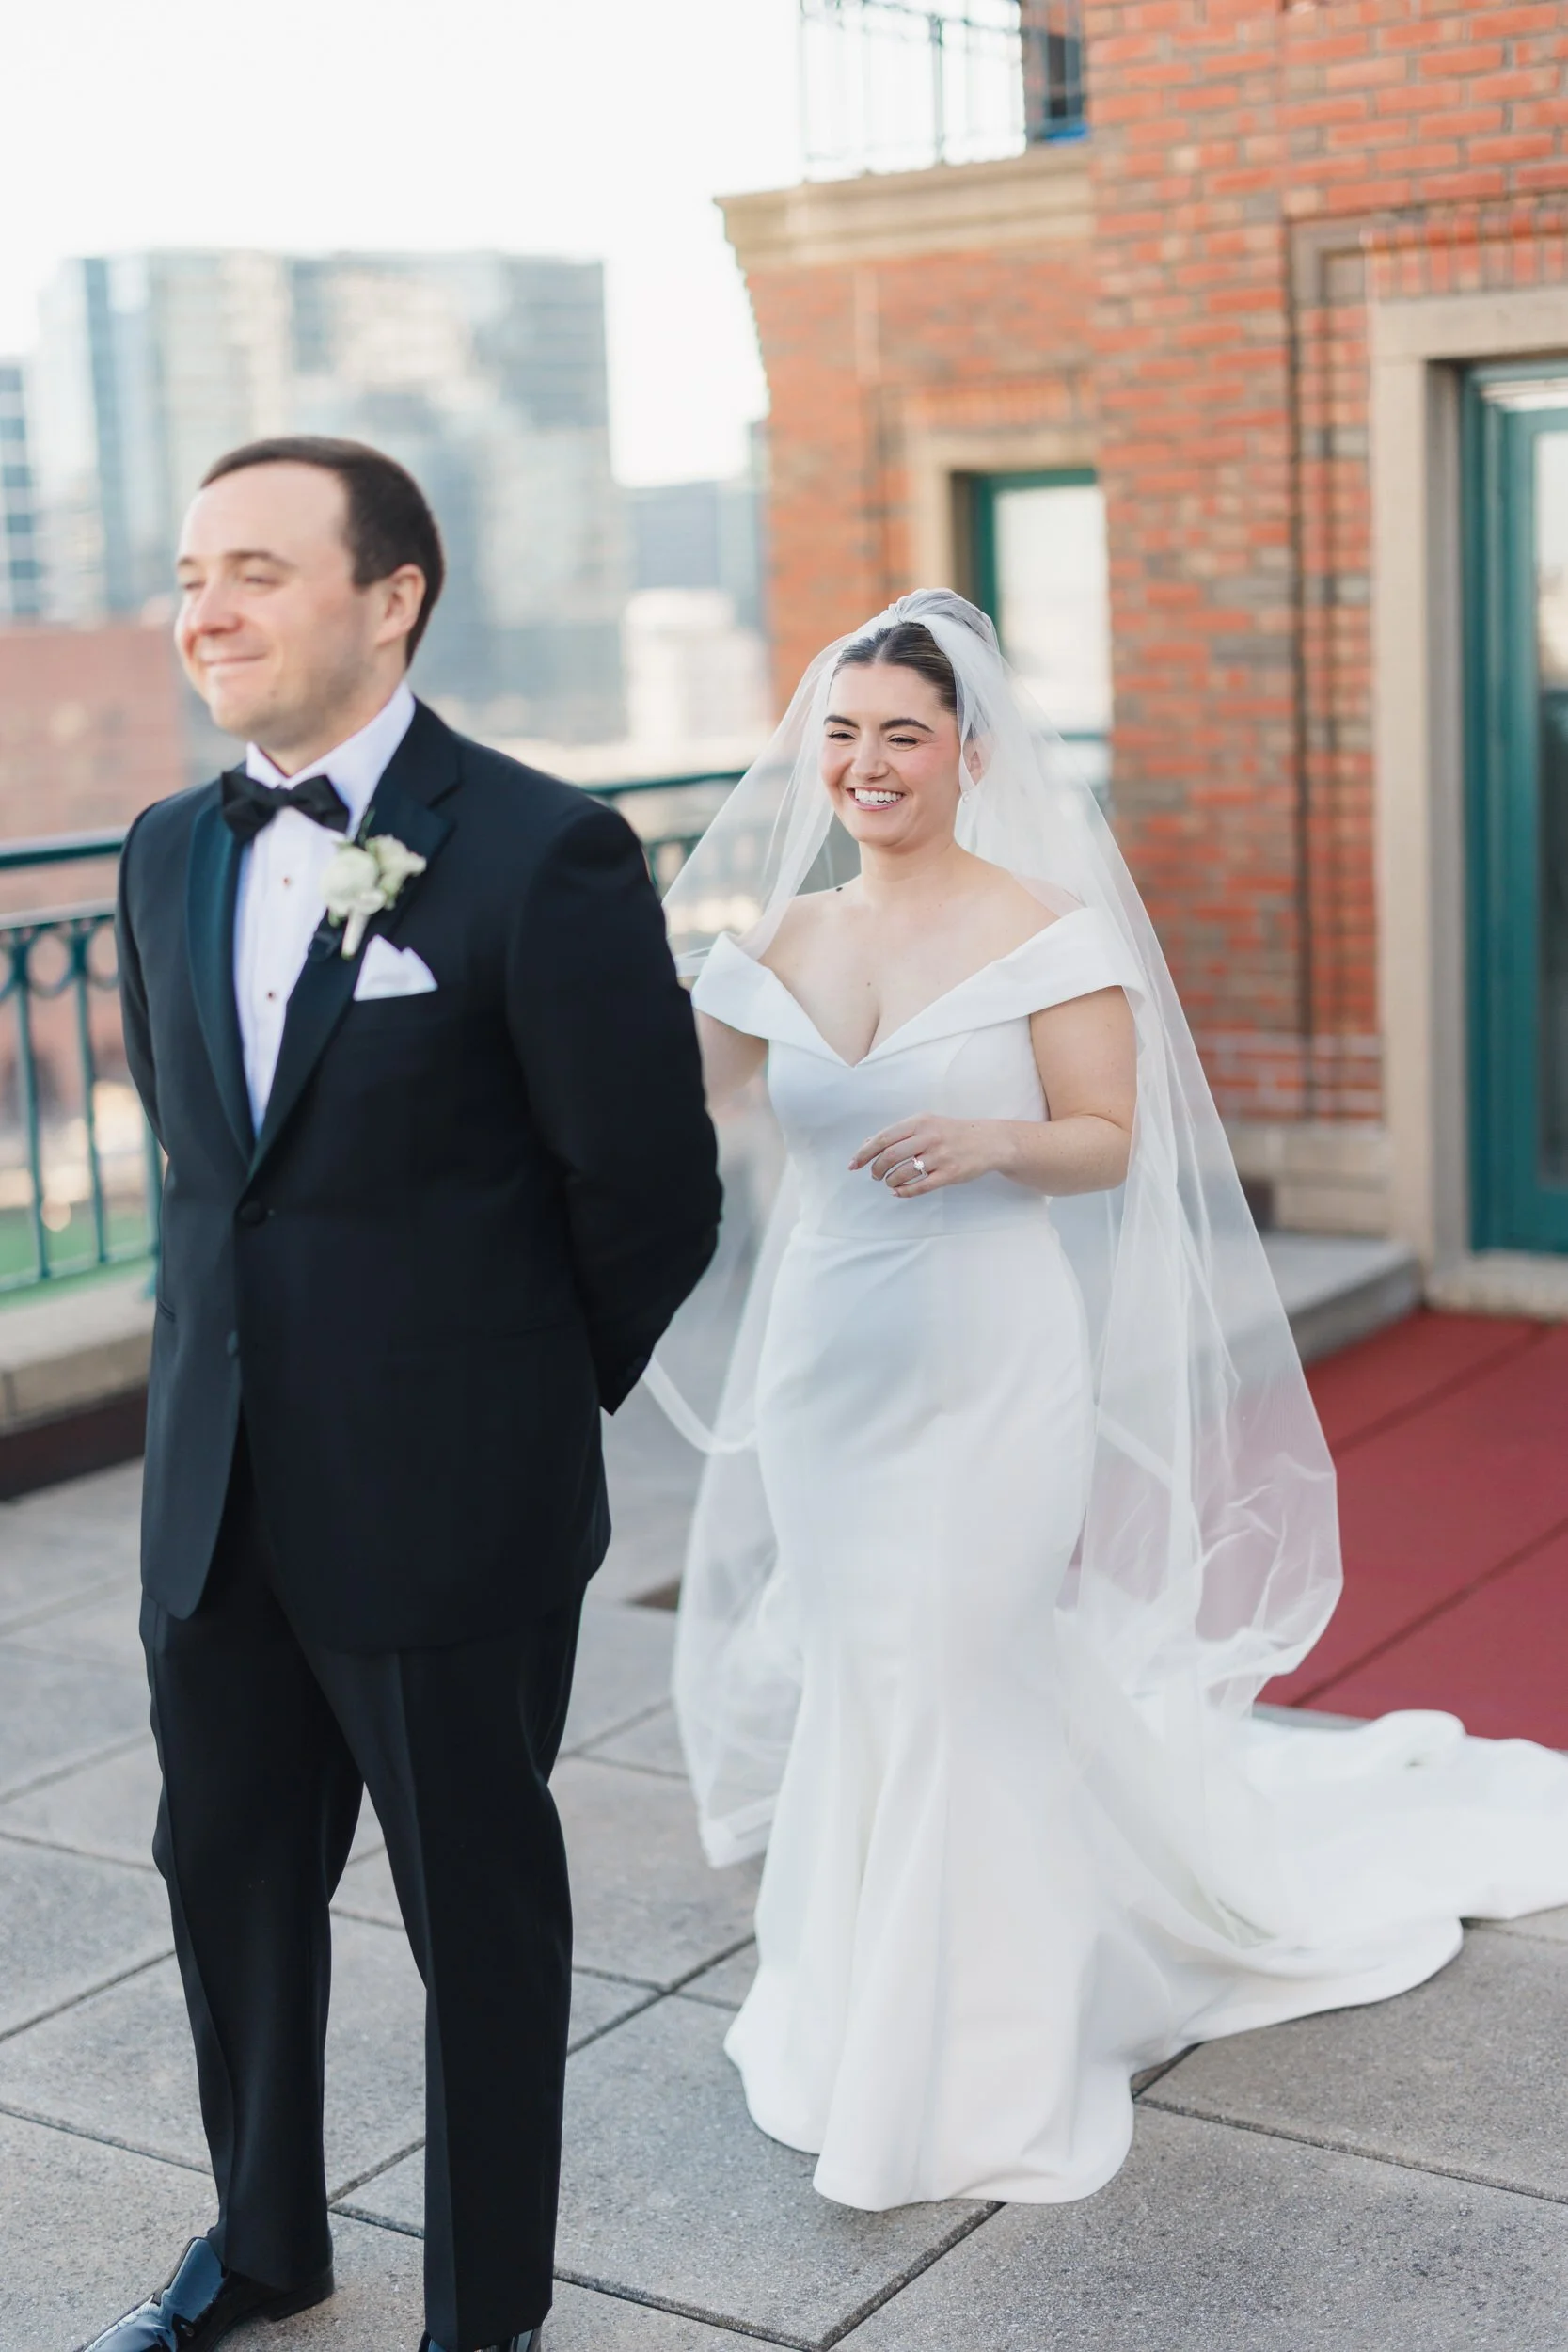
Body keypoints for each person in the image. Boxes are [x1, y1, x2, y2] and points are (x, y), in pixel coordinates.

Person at [656, 588, 1568, 2212]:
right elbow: (672, 1108)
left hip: (988, 1357)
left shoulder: (1043, 928)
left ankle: (978, 2057)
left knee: (961, 1658)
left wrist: (995, 1141)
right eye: (842, 735)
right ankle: (863, 1991)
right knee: (873, 1670)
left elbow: (1106, 1139)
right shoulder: (780, 939)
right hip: (823, 1367)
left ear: (968, 754)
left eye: (903, 735)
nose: (867, 764)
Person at [93, 438, 721, 2352]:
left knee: (481, 1925)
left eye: (257, 570)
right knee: (227, 1886)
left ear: (392, 599)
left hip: (450, 1509)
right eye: (193, 573)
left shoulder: (547, 849)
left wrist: (506, 1407)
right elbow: (214, 1173)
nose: (208, 609)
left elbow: (649, 1193)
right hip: (214, 1500)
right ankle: (263, 2244)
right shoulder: (163, 849)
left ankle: (484, 2316)